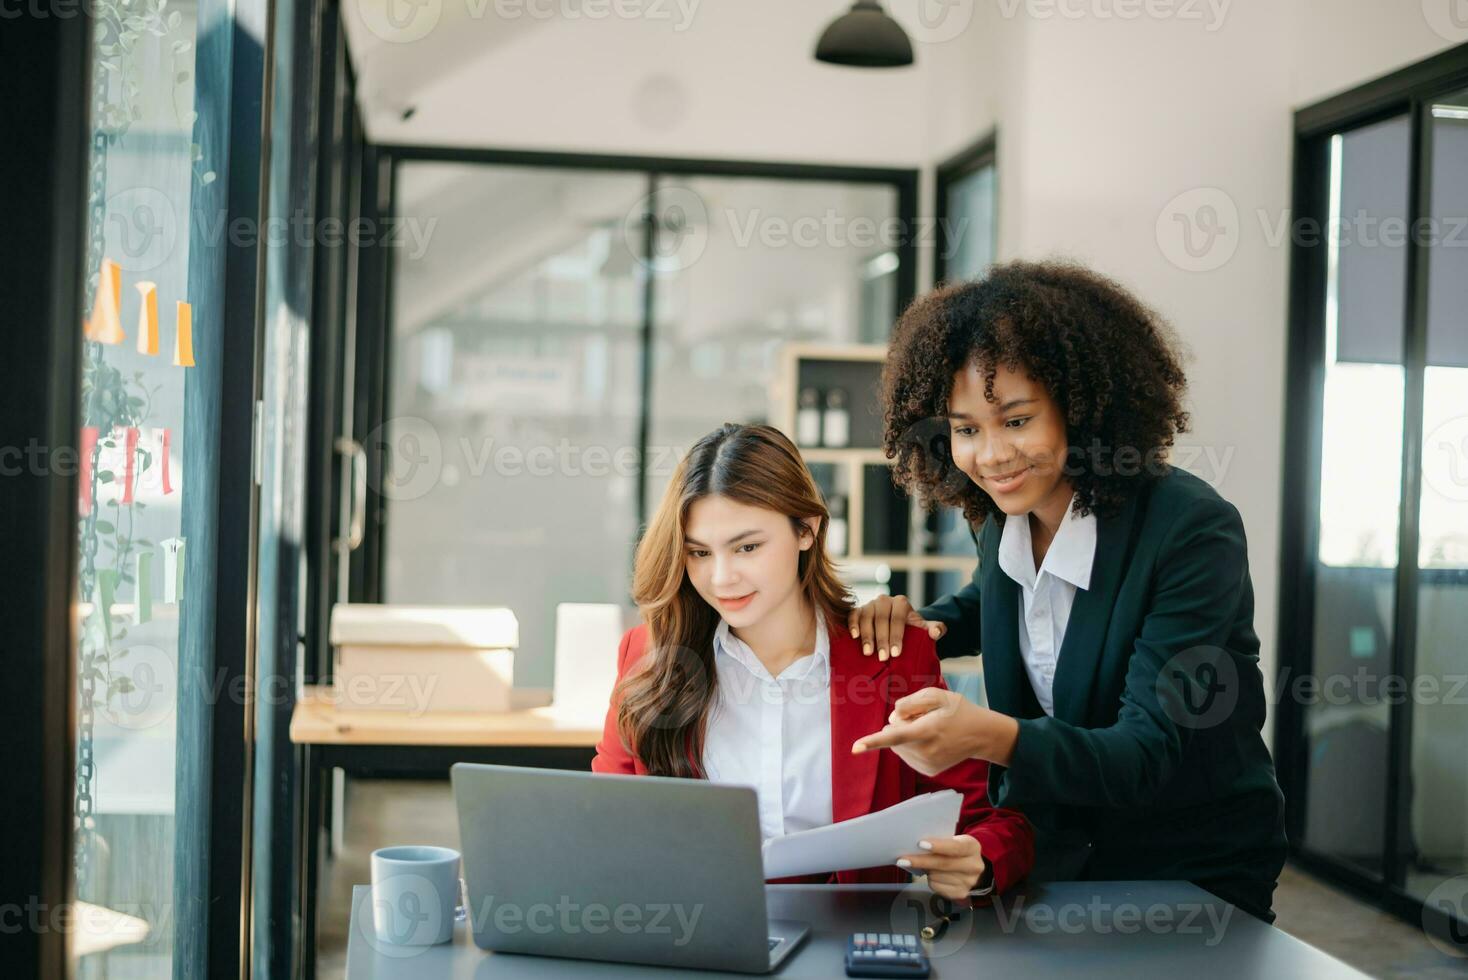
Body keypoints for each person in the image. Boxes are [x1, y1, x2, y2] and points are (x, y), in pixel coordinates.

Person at [848, 261, 1288, 922]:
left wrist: (988, 736)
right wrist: (924, 624)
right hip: (1059, 844)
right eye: (966, 430)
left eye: (1016, 421)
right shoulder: (1005, 515)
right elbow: (1006, 600)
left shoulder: (1192, 531)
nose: (991, 455)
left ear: (1083, 410)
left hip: (1190, 862)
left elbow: (1145, 752)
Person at [593, 423, 1034, 899]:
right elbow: (609, 821)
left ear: (807, 529)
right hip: (693, 934)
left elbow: (991, 819)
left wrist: (980, 861)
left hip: (844, 945)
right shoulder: (649, 656)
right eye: (700, 552)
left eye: (747, 547)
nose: (722, 578)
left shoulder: (891, 658)